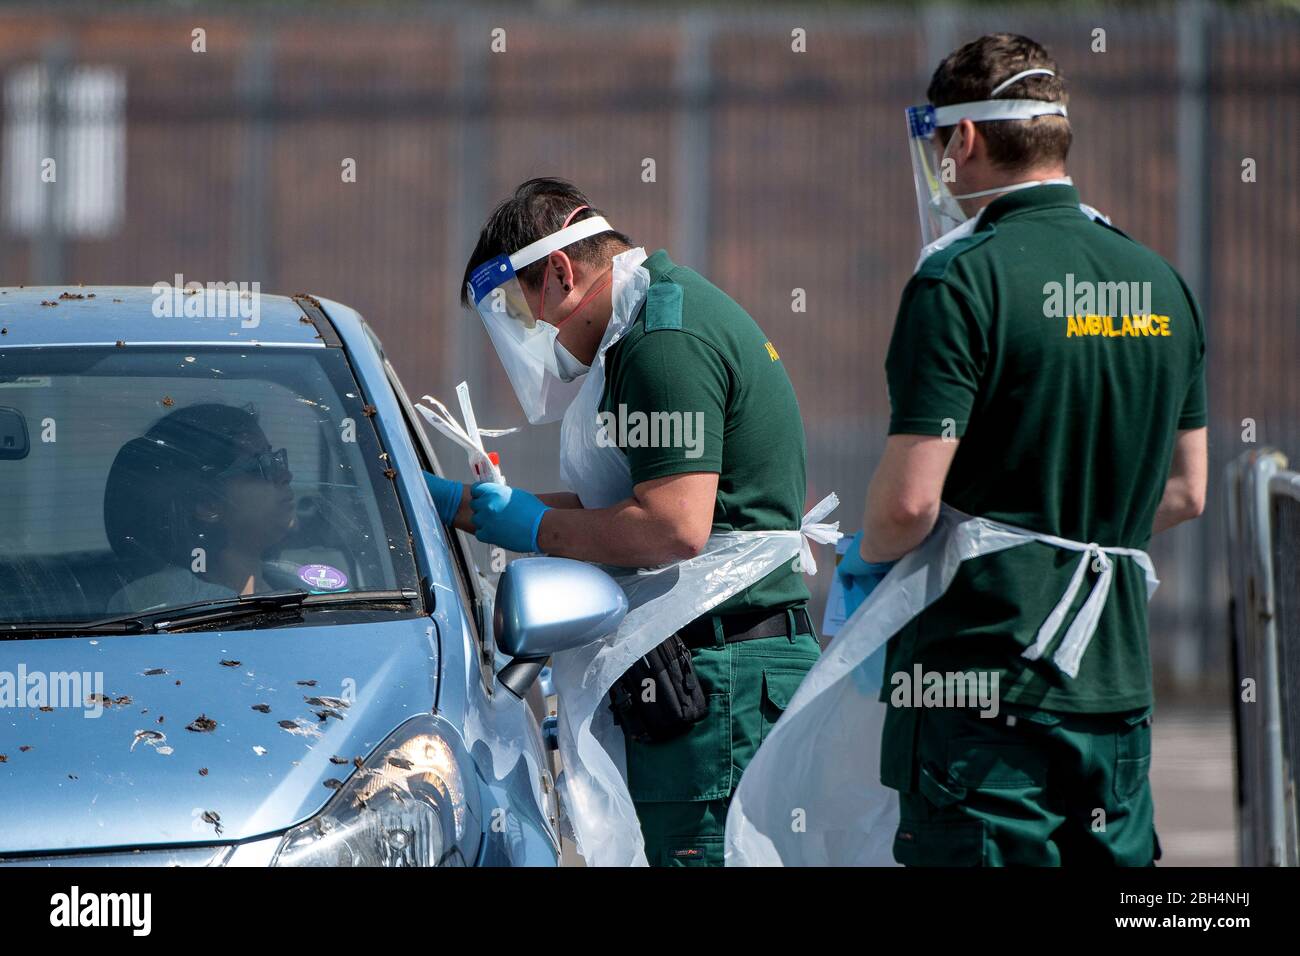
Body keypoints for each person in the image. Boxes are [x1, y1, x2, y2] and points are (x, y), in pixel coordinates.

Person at [836, 33, 1208, 866]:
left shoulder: (958, 279)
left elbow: (908, 504)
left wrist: (863, 568)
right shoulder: (1158, 281)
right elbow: (1187, 492)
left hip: (982, 690)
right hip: (1115, 690)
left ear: (962, 139)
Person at [422, 177, 819, 866]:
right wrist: (465, 508)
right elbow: (627, 513)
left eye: (518, 313)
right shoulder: (650, 324)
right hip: (712, 678)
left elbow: (671, 528)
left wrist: (534, 529)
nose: (526, 335)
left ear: (560, 273)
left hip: (721, 686)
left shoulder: (663, 340)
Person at [105, 403, 297, 612]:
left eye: (274, 458)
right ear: (207, 505)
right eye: (259, 465)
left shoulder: (297, 582)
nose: (285, 475)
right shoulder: (164, 608)